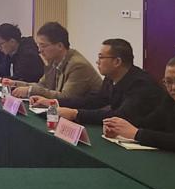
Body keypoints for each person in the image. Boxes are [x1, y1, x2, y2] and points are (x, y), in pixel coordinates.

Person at [30, 38, 165, 125]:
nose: (97, 62)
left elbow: (121, 116)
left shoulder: (141, 84)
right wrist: (53, 102)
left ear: (117, 62)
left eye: (101, 57)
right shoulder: (110, 77)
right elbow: (94, 101)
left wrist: (75, 114)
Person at [2, 21, 102, 99]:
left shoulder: (77, 65)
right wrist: (15, 84)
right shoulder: (53, 61)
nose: (40, 50)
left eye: (43, 46)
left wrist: (30, 91)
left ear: (60, 46)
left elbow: (66, 98)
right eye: (39, 46)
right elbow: (42, 85)